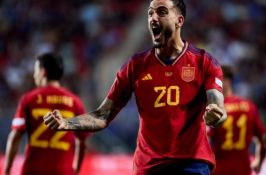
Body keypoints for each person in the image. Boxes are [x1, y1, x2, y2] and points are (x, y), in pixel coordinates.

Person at [43, 0, 227, 174]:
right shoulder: (135, 65)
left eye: (162, 12)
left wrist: (216, 114)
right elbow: (102, 116)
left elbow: (218, 108)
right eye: (150, 13)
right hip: (148, 167)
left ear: (180, 20)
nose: (153, 18)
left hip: (191, 164)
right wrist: (66, 123)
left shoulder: (204, 62)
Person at [3, 53, 88, 175]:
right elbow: (82, 141)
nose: (34, 75)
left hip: (33, 170)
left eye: (35, 70)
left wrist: (7, 170)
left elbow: (15, 136)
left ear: (43, 72)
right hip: (63, 171)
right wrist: (76, 169)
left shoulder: (28, 99)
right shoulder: (75, 102)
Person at [209, 65, 266, 175]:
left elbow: (206, 142)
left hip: (220, 170)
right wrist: (259, 160)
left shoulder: (214, 109)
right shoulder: (249, 107)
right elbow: (263, 140)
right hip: (243, 169)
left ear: (225, 80)